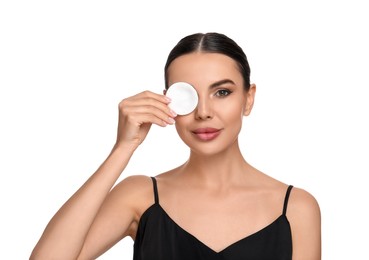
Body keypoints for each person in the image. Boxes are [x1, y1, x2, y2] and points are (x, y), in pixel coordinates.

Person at [30, 32, 321, 260]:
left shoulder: (296, 207)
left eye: (222, 92)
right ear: (167, 100)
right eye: (188, 95)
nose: (204, 111)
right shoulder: (140, 195)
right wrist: (124, 147)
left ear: (248, 98)